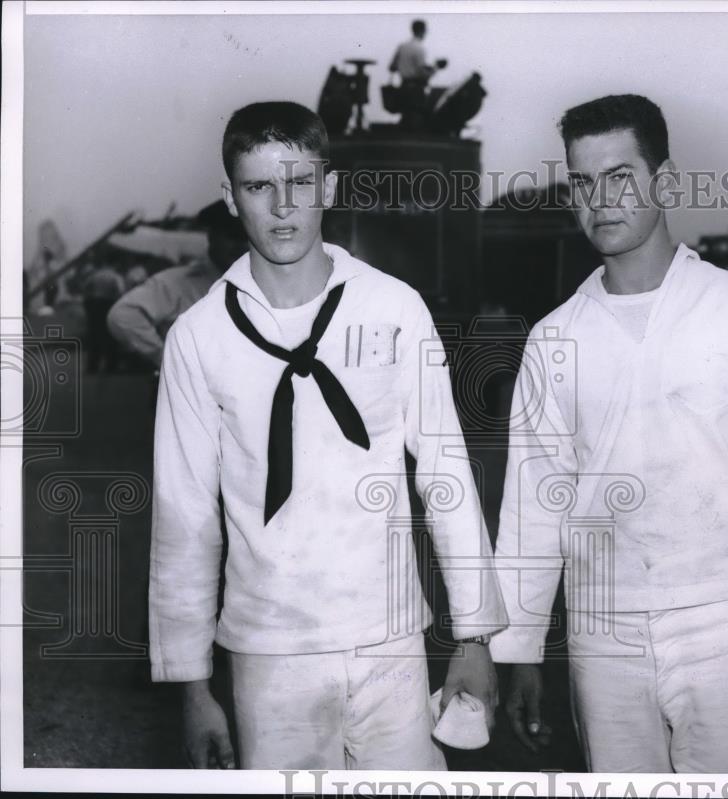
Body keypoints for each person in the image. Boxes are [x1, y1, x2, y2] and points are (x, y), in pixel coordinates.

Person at [489, 94, 728, 773]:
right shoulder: (553, 337)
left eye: (621, 176)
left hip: (726, 622)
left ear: (666, 181)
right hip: (603, 633)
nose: (601, 199)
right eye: (583, 182)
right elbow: (534, 508)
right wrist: (522, 650)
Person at [149, 101, 507, 770]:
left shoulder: (393, 306)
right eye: (259, 186)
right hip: (268, 651)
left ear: (330, 188)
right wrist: (192, 687)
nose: (283, 207)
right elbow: (184, 518)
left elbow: (446, 471)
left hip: (390, 638)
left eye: (300, 184)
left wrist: (476, 635)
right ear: (229, 196)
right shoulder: (197, 340)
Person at [107, 201, 247, 371]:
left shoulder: (270, 286)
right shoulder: (176, 284)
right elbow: (123, 316)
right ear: (212, 236)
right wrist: (169, 361)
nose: (242, 246)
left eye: (250, 238)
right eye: (234, 236)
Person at [388, 19, 447, 129]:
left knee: (405, 119)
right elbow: (422, 74)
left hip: (403, 88)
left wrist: (406, 67)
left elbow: (392, 67)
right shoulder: (420, 48)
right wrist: (436, 68)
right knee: (416, 122)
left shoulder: (402, 46)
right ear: (422, 31)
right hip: (415, 92)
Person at [81, 258, 126, 373]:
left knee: (94, 335)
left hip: (94, 305)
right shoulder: (115, 276)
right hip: (109, 304)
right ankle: (111, 365)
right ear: (114, 264)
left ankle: (92, 366)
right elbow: (121, 291)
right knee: (110, 335)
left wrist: (88, 303)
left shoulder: (95, 275)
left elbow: (85, 288)